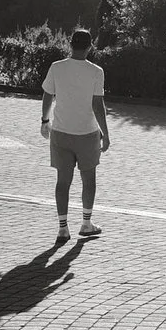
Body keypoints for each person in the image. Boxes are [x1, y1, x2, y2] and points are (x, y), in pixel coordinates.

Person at [38, 26, 111, 240]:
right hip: (87, 133)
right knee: (89, 180)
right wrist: (105, 134)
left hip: (60, 132)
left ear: (70, 44)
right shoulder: (96, 72)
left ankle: (63, 227)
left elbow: (47, 96)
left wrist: (44, 120)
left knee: (63, 181)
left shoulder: (56, 67)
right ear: (90, 47)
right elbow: (98, 106)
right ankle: (86, 223)